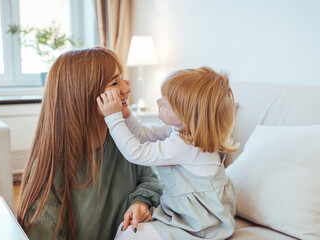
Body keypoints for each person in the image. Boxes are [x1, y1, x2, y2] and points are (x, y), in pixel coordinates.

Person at [16, 47, 163, 240]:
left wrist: (140, 202)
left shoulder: (124, 139)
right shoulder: (51, 167)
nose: (127, 89)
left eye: (123, 79)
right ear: (83, 94)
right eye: (115, 82)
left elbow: (151, 180)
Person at [97, 66, 239, 240]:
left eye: (164, 102)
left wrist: (112, 117)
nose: (157, 102)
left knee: (128, 235)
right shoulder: (180, 130)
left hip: (200, 222)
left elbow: (137, 153)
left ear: (185, 113)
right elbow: (142, 135)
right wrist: (124, 113)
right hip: (187, 213)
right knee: (125, 231)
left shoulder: (187, 144)